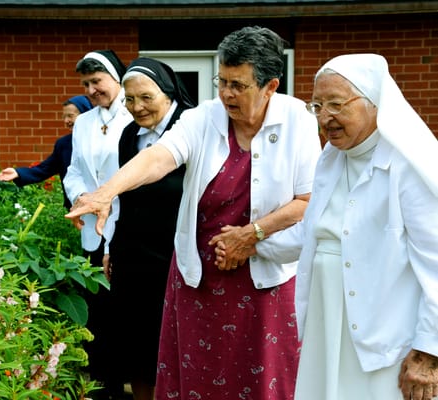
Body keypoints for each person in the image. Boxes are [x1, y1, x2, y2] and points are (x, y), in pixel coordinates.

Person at [66, 26, 321, 399]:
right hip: (199, 279)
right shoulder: (204, 117)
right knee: (200, 378)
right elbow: (158, 156)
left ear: (270, 86)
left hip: (265, 277)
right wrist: (107, 192)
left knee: (266, 380)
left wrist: (252, 235)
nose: (226, 94)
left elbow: (306, 199)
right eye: (223, 81)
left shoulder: (298, 120)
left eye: (239, 85)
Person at [257, 53, 438, 400]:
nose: (325, 118)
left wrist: (430, 351)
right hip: (328, 321)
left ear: (374, 103)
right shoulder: (331, 159)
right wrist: (253, 243)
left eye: (336, 104)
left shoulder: (406, 165)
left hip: (387, 331)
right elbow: (315, 234)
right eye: (318, 106)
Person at [107, 57, 196, 400]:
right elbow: (124, 198)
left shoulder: (190, 128)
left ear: (169, 93)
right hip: (133, 255)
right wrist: (112, 249)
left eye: (146, 97)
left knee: (175, 340)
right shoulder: (130, 135)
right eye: (129, 99)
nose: (137, 107)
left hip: (175, 253)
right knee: (137, 343)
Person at [62, 49, 133, 399]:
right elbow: (74, 170)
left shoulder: (133, 117)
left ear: (116, 79)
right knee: (97, 315)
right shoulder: (85, 123)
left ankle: (125, 383)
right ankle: (103, 386)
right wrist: (79, 197)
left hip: (127, 226)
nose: (91, 89)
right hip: (92, 229)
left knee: (122, 312)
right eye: (86, 84)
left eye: (97, 81)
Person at [0, 95, 93, 209]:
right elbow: (45, 169)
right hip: (76, 208)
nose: (66, 121)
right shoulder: (63, 144)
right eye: (64, 116)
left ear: (86, 115)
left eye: (70, 116)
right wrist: (18, 173)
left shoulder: (104, 141)